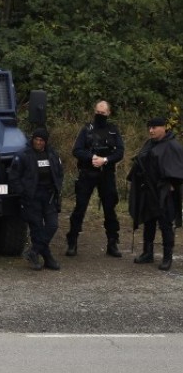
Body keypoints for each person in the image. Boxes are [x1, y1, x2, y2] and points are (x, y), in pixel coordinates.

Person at [65, 100, 125, 257]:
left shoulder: (113, 130)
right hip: (87, 173)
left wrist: (105, 160)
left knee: (110, 209)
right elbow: (76, 150)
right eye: (98, 112)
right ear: (94, 111)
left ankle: (112, 243)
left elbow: (120, 152)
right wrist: (91, 157)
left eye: (103, 113)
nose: (100, 115)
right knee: (80, 208)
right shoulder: (86, 129)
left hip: (107, 174)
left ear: (109, 113)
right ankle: (72, 242)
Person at [127, 117, 183, 271]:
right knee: (148, 220)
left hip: (164, 192)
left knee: (165, 224)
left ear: (164, 128)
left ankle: (167, 257)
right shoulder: (149, 144)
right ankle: (147, 252)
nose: (151, 130)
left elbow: (178, 169)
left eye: (154, 127)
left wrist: (172, 185)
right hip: (148, 189)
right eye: (149, 128)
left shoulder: (172, 145)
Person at [9, 128, 65, 271]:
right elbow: (14, 177)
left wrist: (57, 187)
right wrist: (23, 192)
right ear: (32, 139)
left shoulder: (52, 154)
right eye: (36, 139)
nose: (38, 142)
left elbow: (59, 172)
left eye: (41, 140)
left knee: (52, 225)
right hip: (32, 197)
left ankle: (33, 251)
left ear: (46, 142)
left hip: (49, 195)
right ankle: (47, 259)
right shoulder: (23, 155)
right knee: (37, 229)